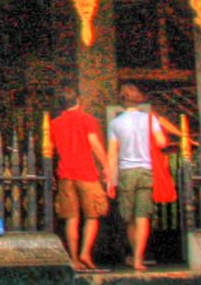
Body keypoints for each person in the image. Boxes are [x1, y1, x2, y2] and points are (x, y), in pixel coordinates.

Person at [48, 88, 114, 271]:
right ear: (78, 100)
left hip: (65, 174)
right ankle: (85, 252)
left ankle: (74, 259)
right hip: (86, 173)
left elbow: (50, 151)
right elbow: (95, 144)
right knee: (92, 215)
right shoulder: (88, 120)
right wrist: (107, 167)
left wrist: (51, 174)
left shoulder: (55, 123)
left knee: (71, 218)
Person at [106, 84, 162, 272]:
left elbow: (112, 153)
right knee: (142, 217)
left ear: (121, 101)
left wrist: (110, 180)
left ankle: (133, 255)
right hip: (146, 170)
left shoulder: (115, 123)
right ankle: (139, 258)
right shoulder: (149, 119)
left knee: (129, 218)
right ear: (139, 99)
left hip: (126, 173)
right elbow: (161, 142)